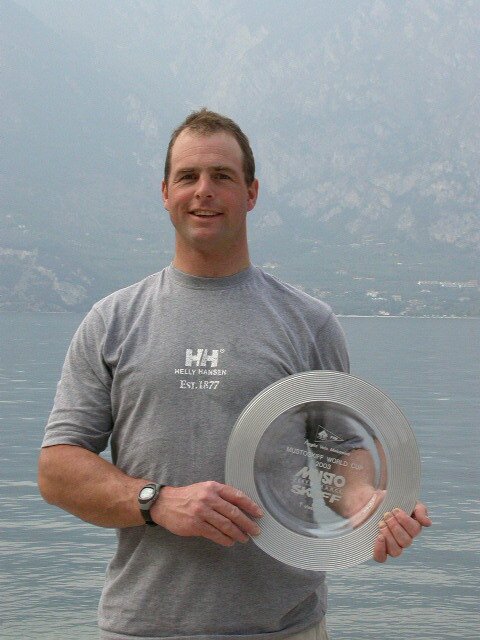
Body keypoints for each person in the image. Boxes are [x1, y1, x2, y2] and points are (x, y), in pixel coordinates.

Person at [39, 109, 432, 640]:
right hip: (142, 626)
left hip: (283, 627)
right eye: (188, 177)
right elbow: (57, 469)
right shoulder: (112, 322)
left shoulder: (308, 322)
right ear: (165, 192)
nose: (204, 191)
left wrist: (368, 506)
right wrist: (156, 501)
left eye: (222, 176)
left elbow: (338, 457)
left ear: (251, 193)